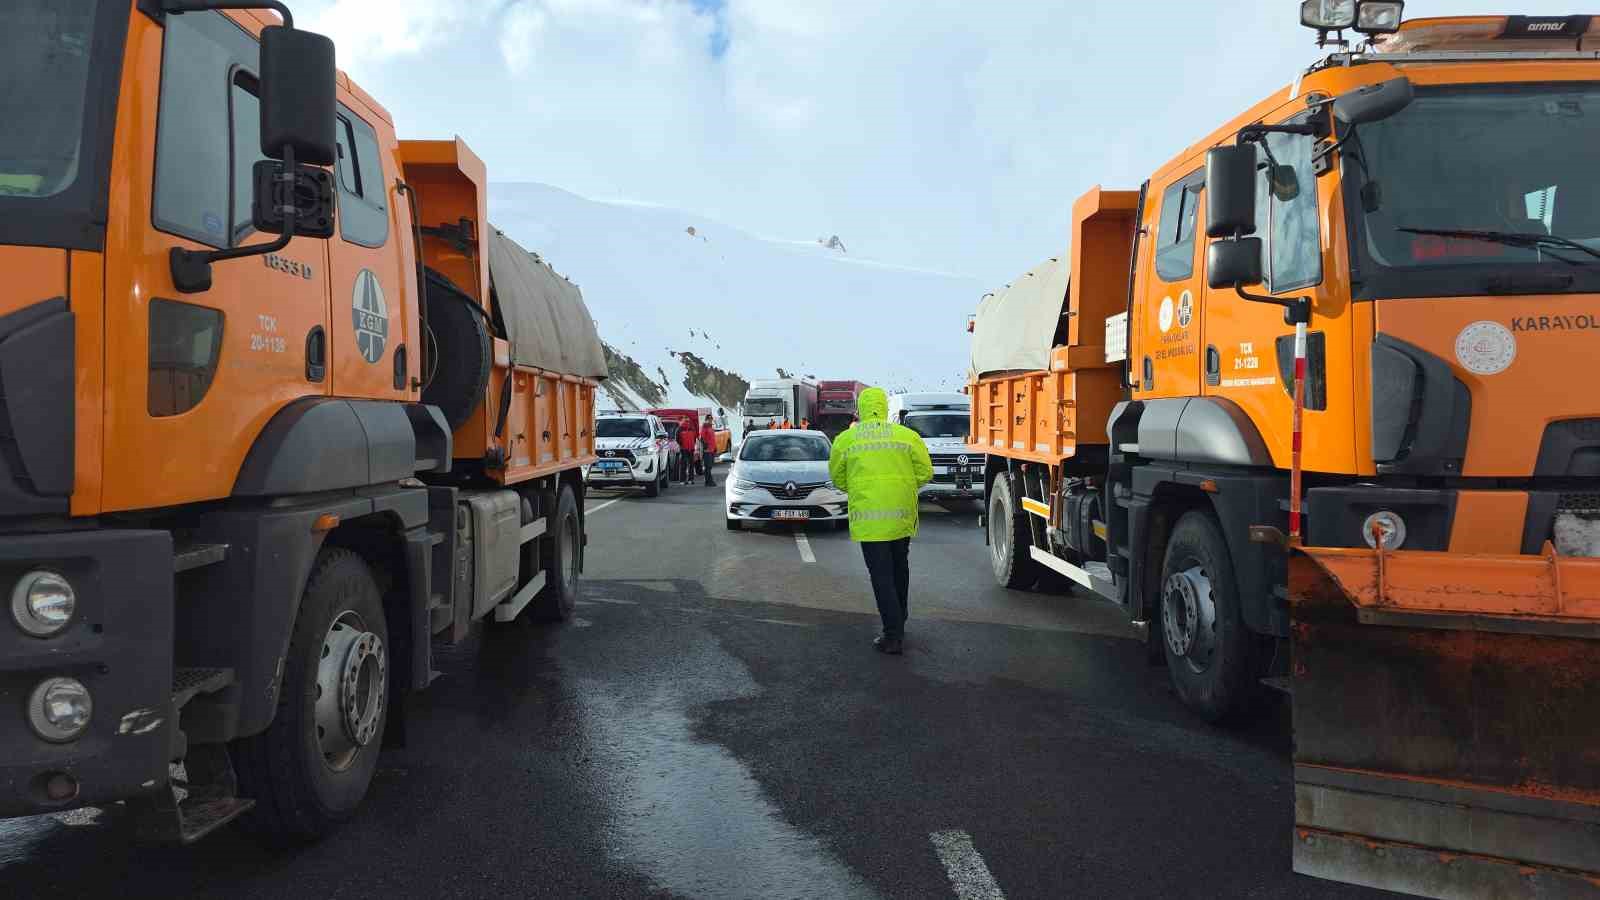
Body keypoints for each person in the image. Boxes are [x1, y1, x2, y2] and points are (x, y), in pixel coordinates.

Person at [827, 387, 932, 655]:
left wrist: (860, 489)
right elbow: (925, 472)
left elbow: (838, 477)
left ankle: (892, 635)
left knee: (881, 575)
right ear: (884, 408)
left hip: (870, 519)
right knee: (900, 568)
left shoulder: (846, 439)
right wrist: (904, 486)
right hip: (901, 516)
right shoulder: (907, 436)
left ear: (861, 409)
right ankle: (900, 618)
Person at [676, 415, 697, 484]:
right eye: (686, 420)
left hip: (686, 448)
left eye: (687, 420)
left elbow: (677, 438)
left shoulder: (680, 428)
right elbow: (678, 439)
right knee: (689, 465)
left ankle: (683, 480)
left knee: (684, 465)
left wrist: (681, 444)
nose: (687, 421)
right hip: (688, 448)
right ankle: (689, 480)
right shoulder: (688, 428)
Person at [699, 414, 719, 486]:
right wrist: (705, 446)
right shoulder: (704, 427)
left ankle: (708, 480)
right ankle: (708, 481)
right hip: (707, 450)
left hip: (712, 449)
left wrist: (715, 447)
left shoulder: (710, 427)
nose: (710, 420)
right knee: (707, 466)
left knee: (710, 466)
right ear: (706, 420)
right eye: (709, 419)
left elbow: (713, 439)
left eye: (711, 419)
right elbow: (702, 438)